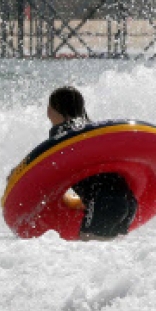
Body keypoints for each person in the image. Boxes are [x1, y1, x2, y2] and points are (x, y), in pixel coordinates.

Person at [47, 86, 138, 241]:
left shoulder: (61, 133)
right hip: (128, 201)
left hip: (102, 202)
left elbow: (50, 167)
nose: (47, 111)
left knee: (88, 249)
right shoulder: (90, 129)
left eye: (49, 106)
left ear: (56, 109)